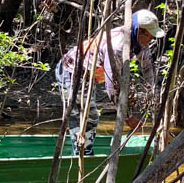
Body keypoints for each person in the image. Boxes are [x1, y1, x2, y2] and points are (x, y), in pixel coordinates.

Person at [55, 9, 164, 155]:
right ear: (140, 32)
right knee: (85, 115)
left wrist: (155, 100)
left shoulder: (140, 43)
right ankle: (82, 155)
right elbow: (111, 83)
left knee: (90, 115)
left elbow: (148, 69)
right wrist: (126, 116)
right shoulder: (118, 46)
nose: (151, 39)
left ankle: (84, 151)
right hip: (71, 70)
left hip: (89, 75)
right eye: (150, 35)